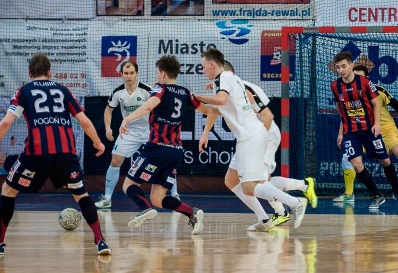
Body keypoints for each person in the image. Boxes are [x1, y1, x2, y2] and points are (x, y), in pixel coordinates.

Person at [0, 52, 111, 255]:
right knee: (81, 195)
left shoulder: (24, 90)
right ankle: (101, 242)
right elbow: (84, 121)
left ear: (30, 73)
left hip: (36, 154)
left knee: (9, 190)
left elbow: (6, 122)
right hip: (66, 153)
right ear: (49, 72)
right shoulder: (63, 90)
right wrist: (98, 142)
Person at [195, 48, 310, 229]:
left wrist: (196, 96)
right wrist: (194, 103)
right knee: (231, 180)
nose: (203, 72)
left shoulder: (225, 77)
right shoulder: (233, 81)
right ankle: (264, 219)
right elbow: (214, 110)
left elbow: (221, 100)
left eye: (203, 67)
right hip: (248, 136)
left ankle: (295, 202)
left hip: (251, 136)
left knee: (250, 186)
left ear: (212, 64)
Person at [118, 55, 211, 235]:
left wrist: (127, 119)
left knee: (128, 184)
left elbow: (148, 106)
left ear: (161, 74)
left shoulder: (160, 89)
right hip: (176, 151)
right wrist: (209, 129)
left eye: (156, 73)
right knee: (158, 198)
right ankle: (192, 213)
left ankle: (144, 209)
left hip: (157, 148)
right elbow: (209, 111)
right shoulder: (186, 92)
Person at [334, 59, 398, 203]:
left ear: (366, 78)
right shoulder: (346, 92)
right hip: (363, 131)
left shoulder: (378, 90)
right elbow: (345, 116)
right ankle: (349, 194)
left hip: (385, 129)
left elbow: (397, 106)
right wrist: (341, 133)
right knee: (348, 158)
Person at [95, 60, 181, 209]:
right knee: (115, 160)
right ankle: (107, 198)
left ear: (137, 74)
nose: (129, 76)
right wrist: (108, 127)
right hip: (129, 131)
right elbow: (108, 109)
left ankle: (174, 195)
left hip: (150, 131)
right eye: (126, 73)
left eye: (132, 73)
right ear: (121, 74)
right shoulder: (117, 92)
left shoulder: (148, 90)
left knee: (164, 161)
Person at [331, 51, 398, 210]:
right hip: (351, 132)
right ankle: (377, 195)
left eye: (344, 66)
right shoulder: (335, 85)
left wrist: (377, 123)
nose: (341, 70)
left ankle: (397, 192)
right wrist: (341, 132)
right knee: (356, 164)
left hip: (369, 130)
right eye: (338, 67)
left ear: (352, 66)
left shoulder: (364, 82)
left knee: (385, 161)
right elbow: (341, 108)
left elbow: (375, 103)